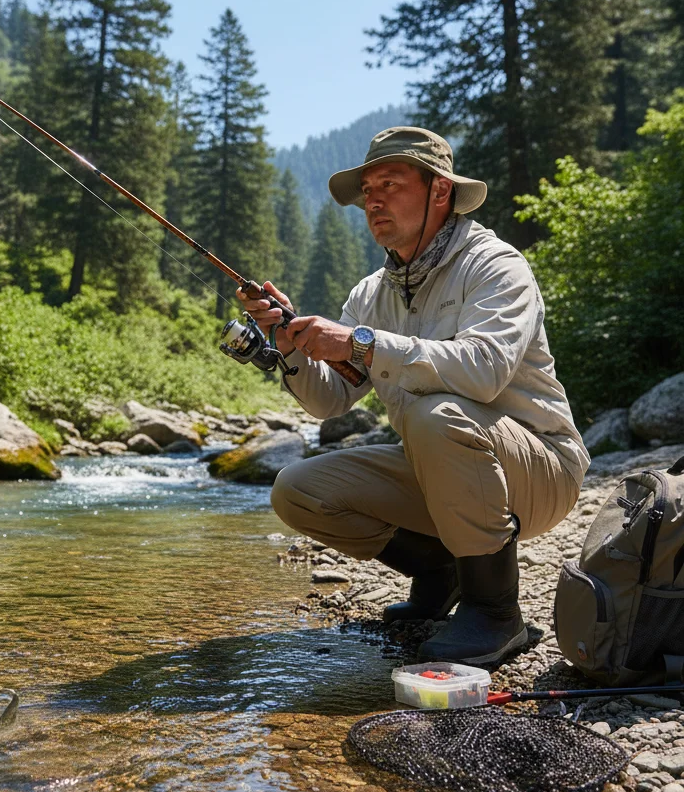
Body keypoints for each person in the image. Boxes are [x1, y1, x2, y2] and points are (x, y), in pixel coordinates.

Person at [238, 127, 588, 665]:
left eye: (390, 184)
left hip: (540, 471)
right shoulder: (369, 294)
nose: (372, 199)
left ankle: (496, 613)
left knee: (434, 413)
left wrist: (360, 341)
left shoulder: (495, 265)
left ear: (440, 191)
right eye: (367, 189)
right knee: (296, 489)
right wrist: (291, 347)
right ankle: (439, 569)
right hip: (441, 465)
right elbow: (331, 401)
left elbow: (485, 371)